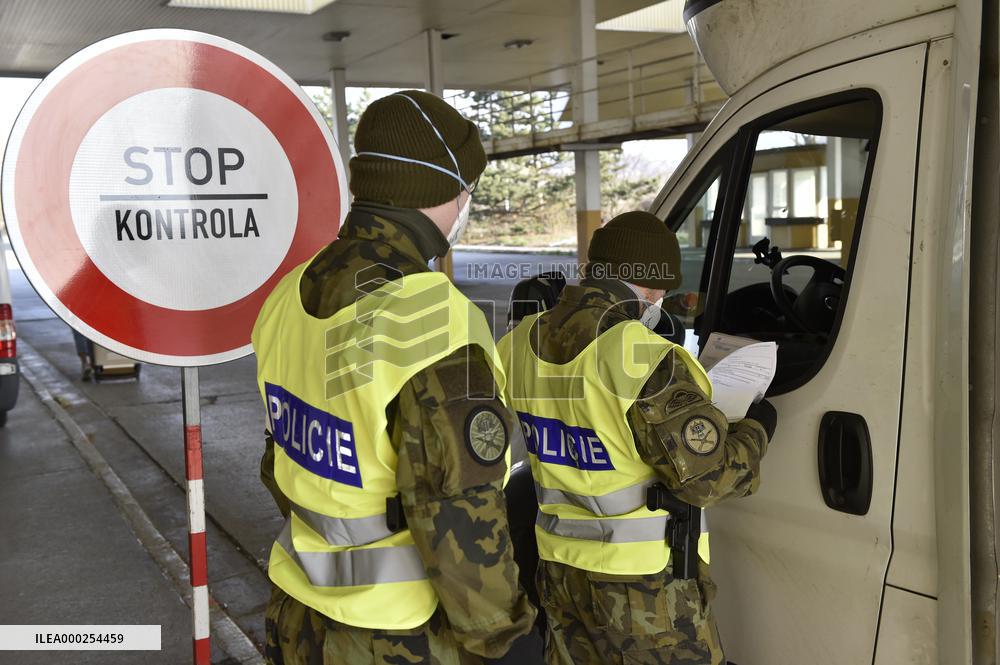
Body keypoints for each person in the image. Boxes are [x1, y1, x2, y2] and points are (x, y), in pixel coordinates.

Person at [253, 90, 537, 665]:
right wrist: (502, 638)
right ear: (450, 189)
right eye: (468, 190)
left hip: (297, 615)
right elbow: (458, 510)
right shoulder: (430, 318)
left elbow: (279, 459)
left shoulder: (289, 293)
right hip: (396, 635)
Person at [497, 211, 777, 665]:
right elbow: (708, 480)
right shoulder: (644, 358)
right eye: (662, 292)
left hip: (561, 576)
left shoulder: (519, 341)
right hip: (643, 593)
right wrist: (757, 429)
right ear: (648, 287)